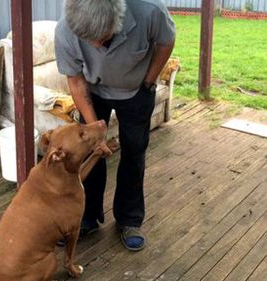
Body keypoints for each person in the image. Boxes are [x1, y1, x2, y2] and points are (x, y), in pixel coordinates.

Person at [54, 0, 175, 251]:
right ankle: (86, 217)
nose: (97, 45)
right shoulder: (65, 29)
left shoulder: (149, 10)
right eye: (90, 40)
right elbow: (75, 82)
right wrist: (93, 131)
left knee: (134, 152)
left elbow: (166, 42)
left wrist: (149, 82)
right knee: (87, 152)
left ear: (117, 18)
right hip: (92, 89)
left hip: (136, 90)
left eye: (103, 37)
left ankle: (129, 220)